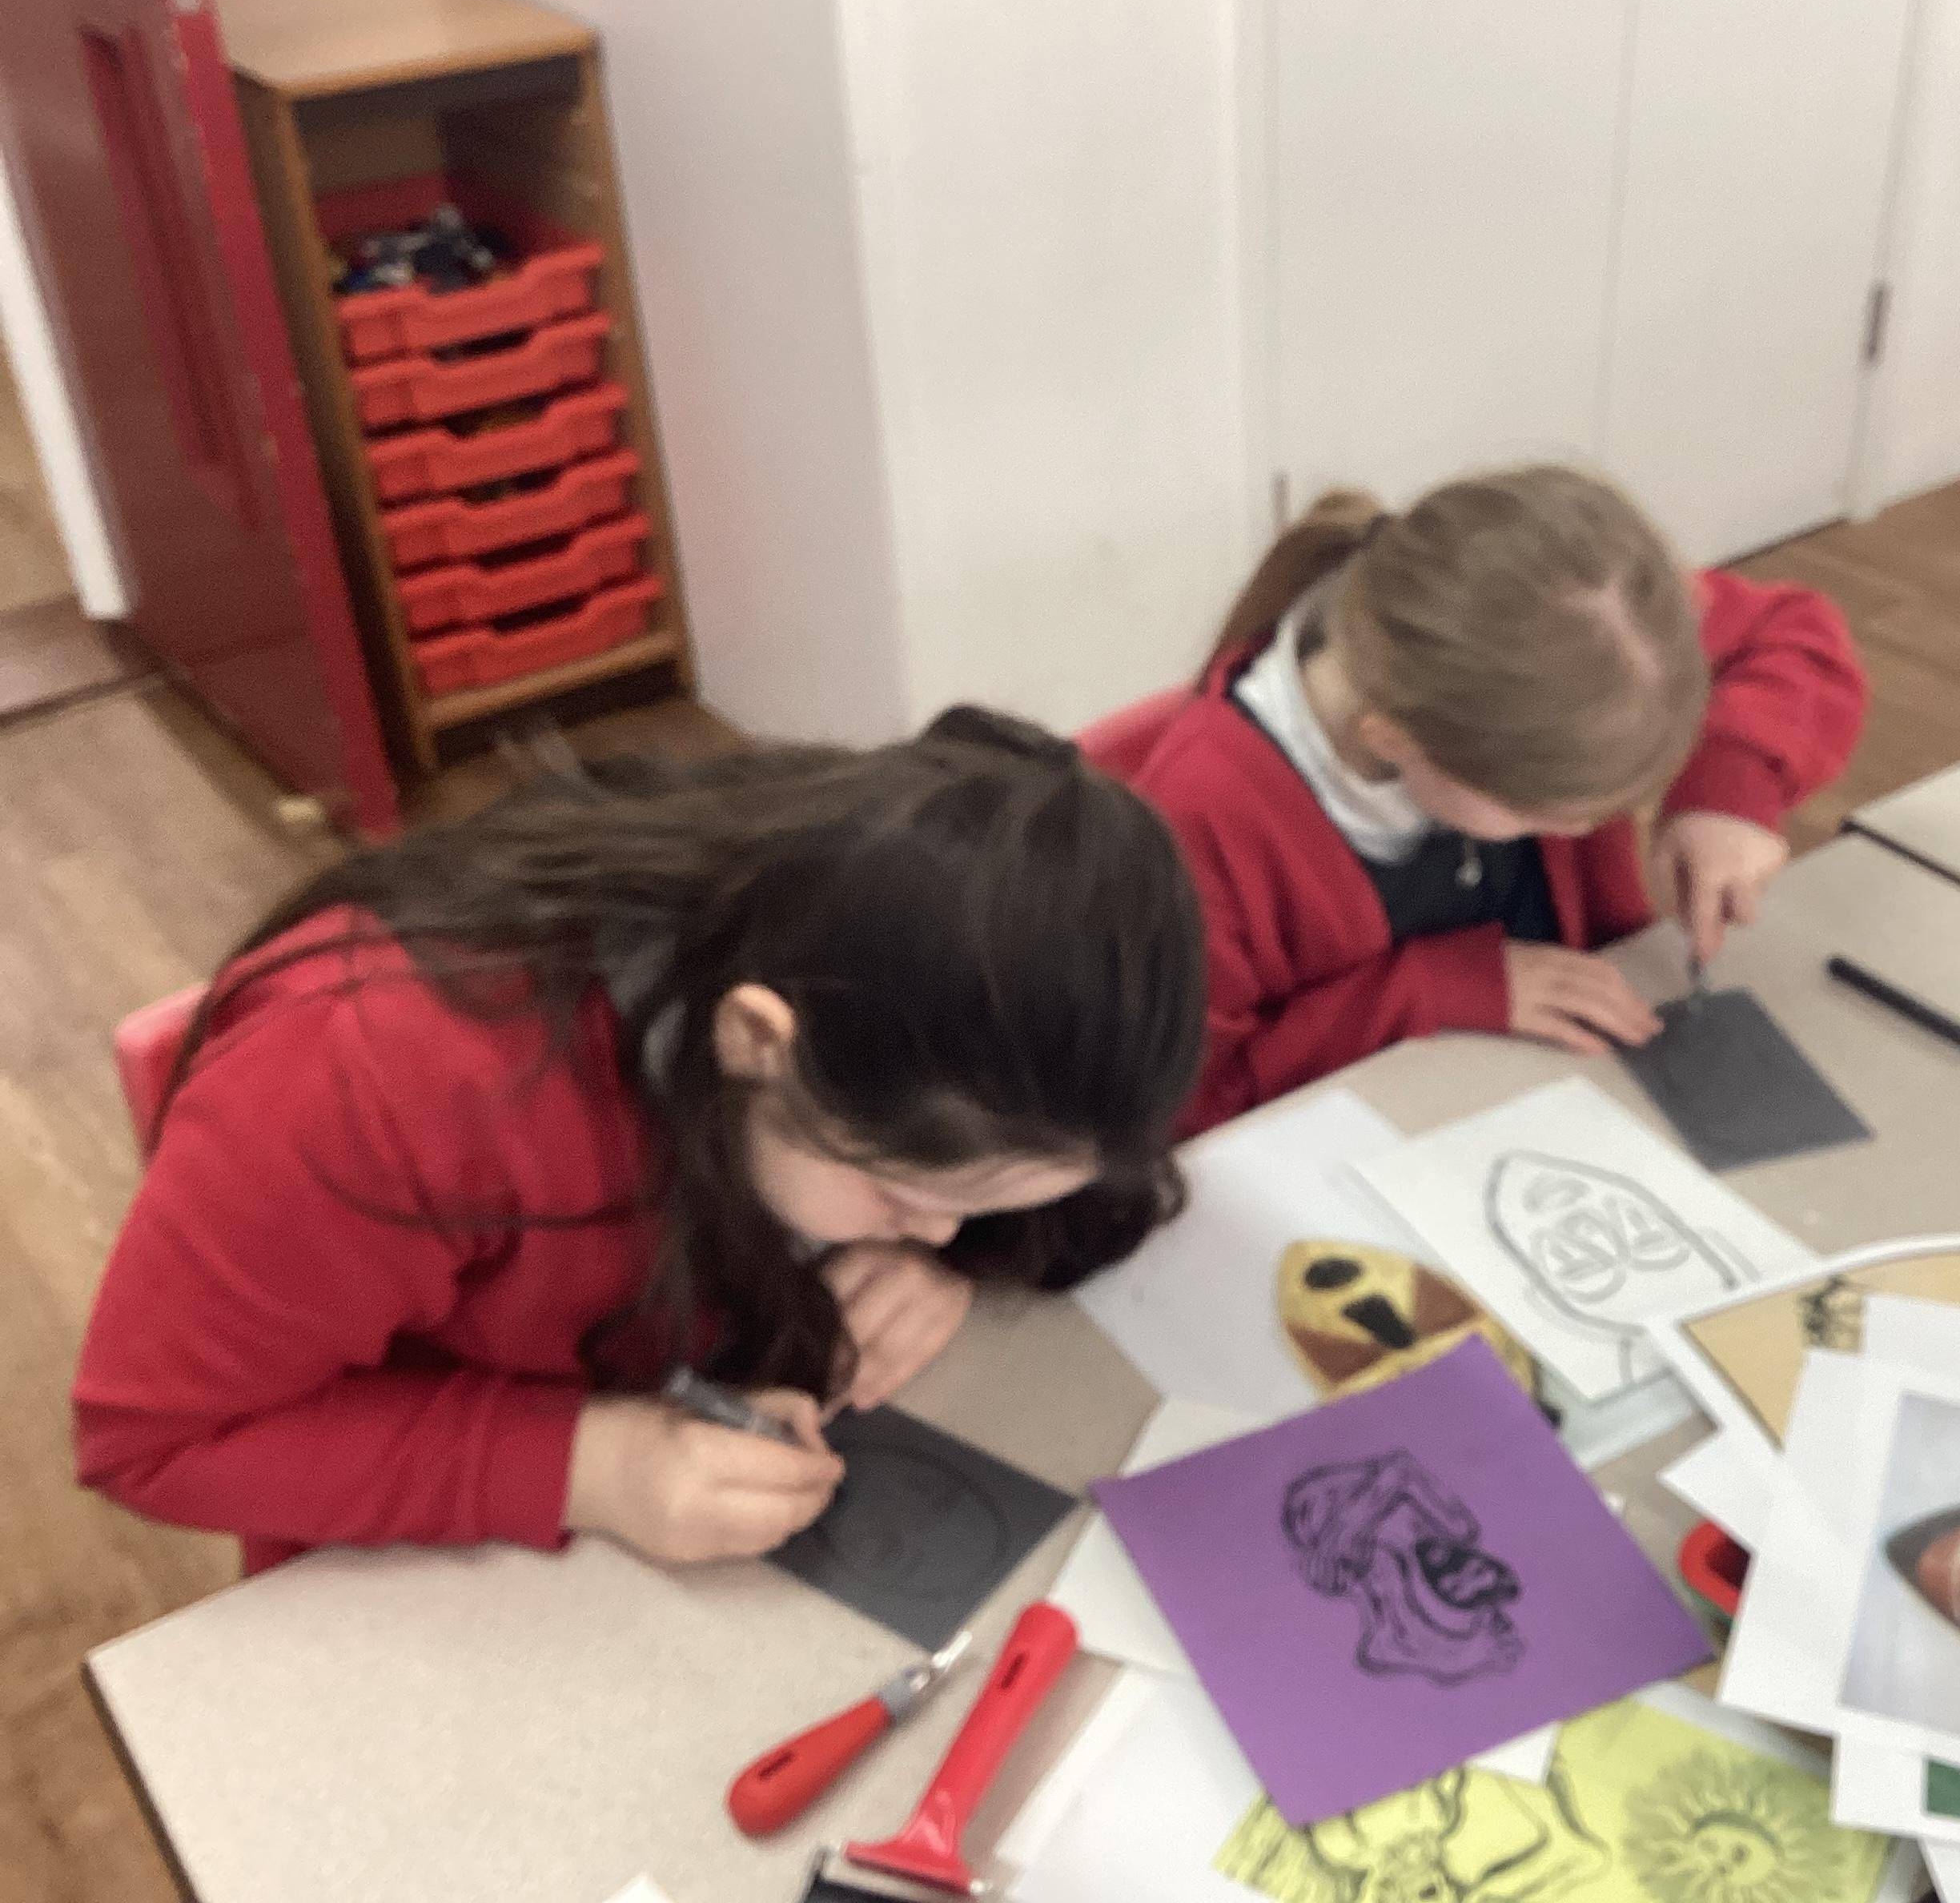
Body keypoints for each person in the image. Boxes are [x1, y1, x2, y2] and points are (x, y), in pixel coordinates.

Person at [73, 709, 1206, 1575]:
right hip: (424, 1562)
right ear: (757, 1038)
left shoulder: (915, 995)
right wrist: (591, 1466)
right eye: (901, 1195)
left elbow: (1051, 1192)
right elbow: (154, 1441)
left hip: (676, 1430)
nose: (940, 1231)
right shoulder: (371, 1078)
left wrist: (942, 1257)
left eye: (982, 1207)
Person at [1089, 464, 1866, 1133]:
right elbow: (1189, 1104)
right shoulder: (1201, 825)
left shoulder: (1592, 635)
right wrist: (1432, 990)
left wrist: (1727, 788)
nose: (1590, 831)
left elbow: (1793, 633)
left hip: (1561, 1095)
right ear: (1395, 740)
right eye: (1546, 813)